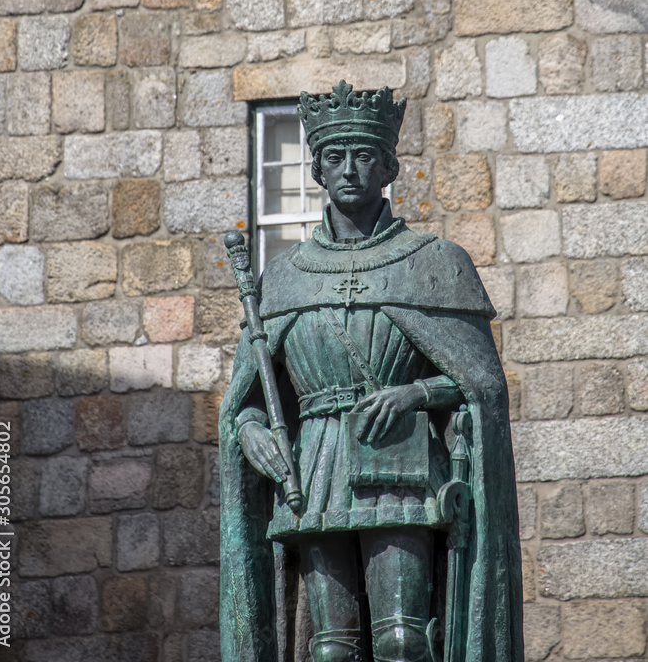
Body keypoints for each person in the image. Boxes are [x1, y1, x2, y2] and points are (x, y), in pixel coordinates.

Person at [219, 81, 523, 662]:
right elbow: (252, 400)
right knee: (330, 649)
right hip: (310, 473)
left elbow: (481, 385)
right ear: (317, 170)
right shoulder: (284, 279)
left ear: (389, 166)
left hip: (399, 466)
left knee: (403, 640)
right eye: (335, 157)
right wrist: (252, 433)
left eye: (364, 156)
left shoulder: (435, 262)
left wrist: (413, 392)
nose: (350, 170)